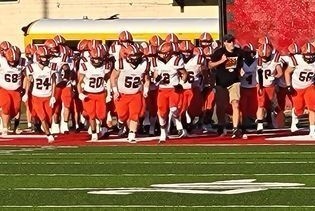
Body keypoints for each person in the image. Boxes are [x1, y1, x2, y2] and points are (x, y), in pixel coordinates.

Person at [209, 34, 244, 138]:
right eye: (229, 41)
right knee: (220, 106)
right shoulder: (219, 53)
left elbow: (241, 63)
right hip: (221, 82)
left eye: (233, 41)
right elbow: (210, 65)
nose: (232, 43)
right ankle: (221, 125)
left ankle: (235, 128)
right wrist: (221, 61)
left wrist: (241, 69)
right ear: (224, 43)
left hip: (234, 81)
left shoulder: (238, 52)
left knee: (236, 103)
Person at [285, 42, 315, 138]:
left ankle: (312, 130)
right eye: (308, 55)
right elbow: (287, 72)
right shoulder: (296, 59)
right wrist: (288, 85)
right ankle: (294, 116)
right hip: (297, 88)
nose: (310, 57)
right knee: (299, 110)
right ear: (302, 54)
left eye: (312, 55)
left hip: (309, 86)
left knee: (312, 108)